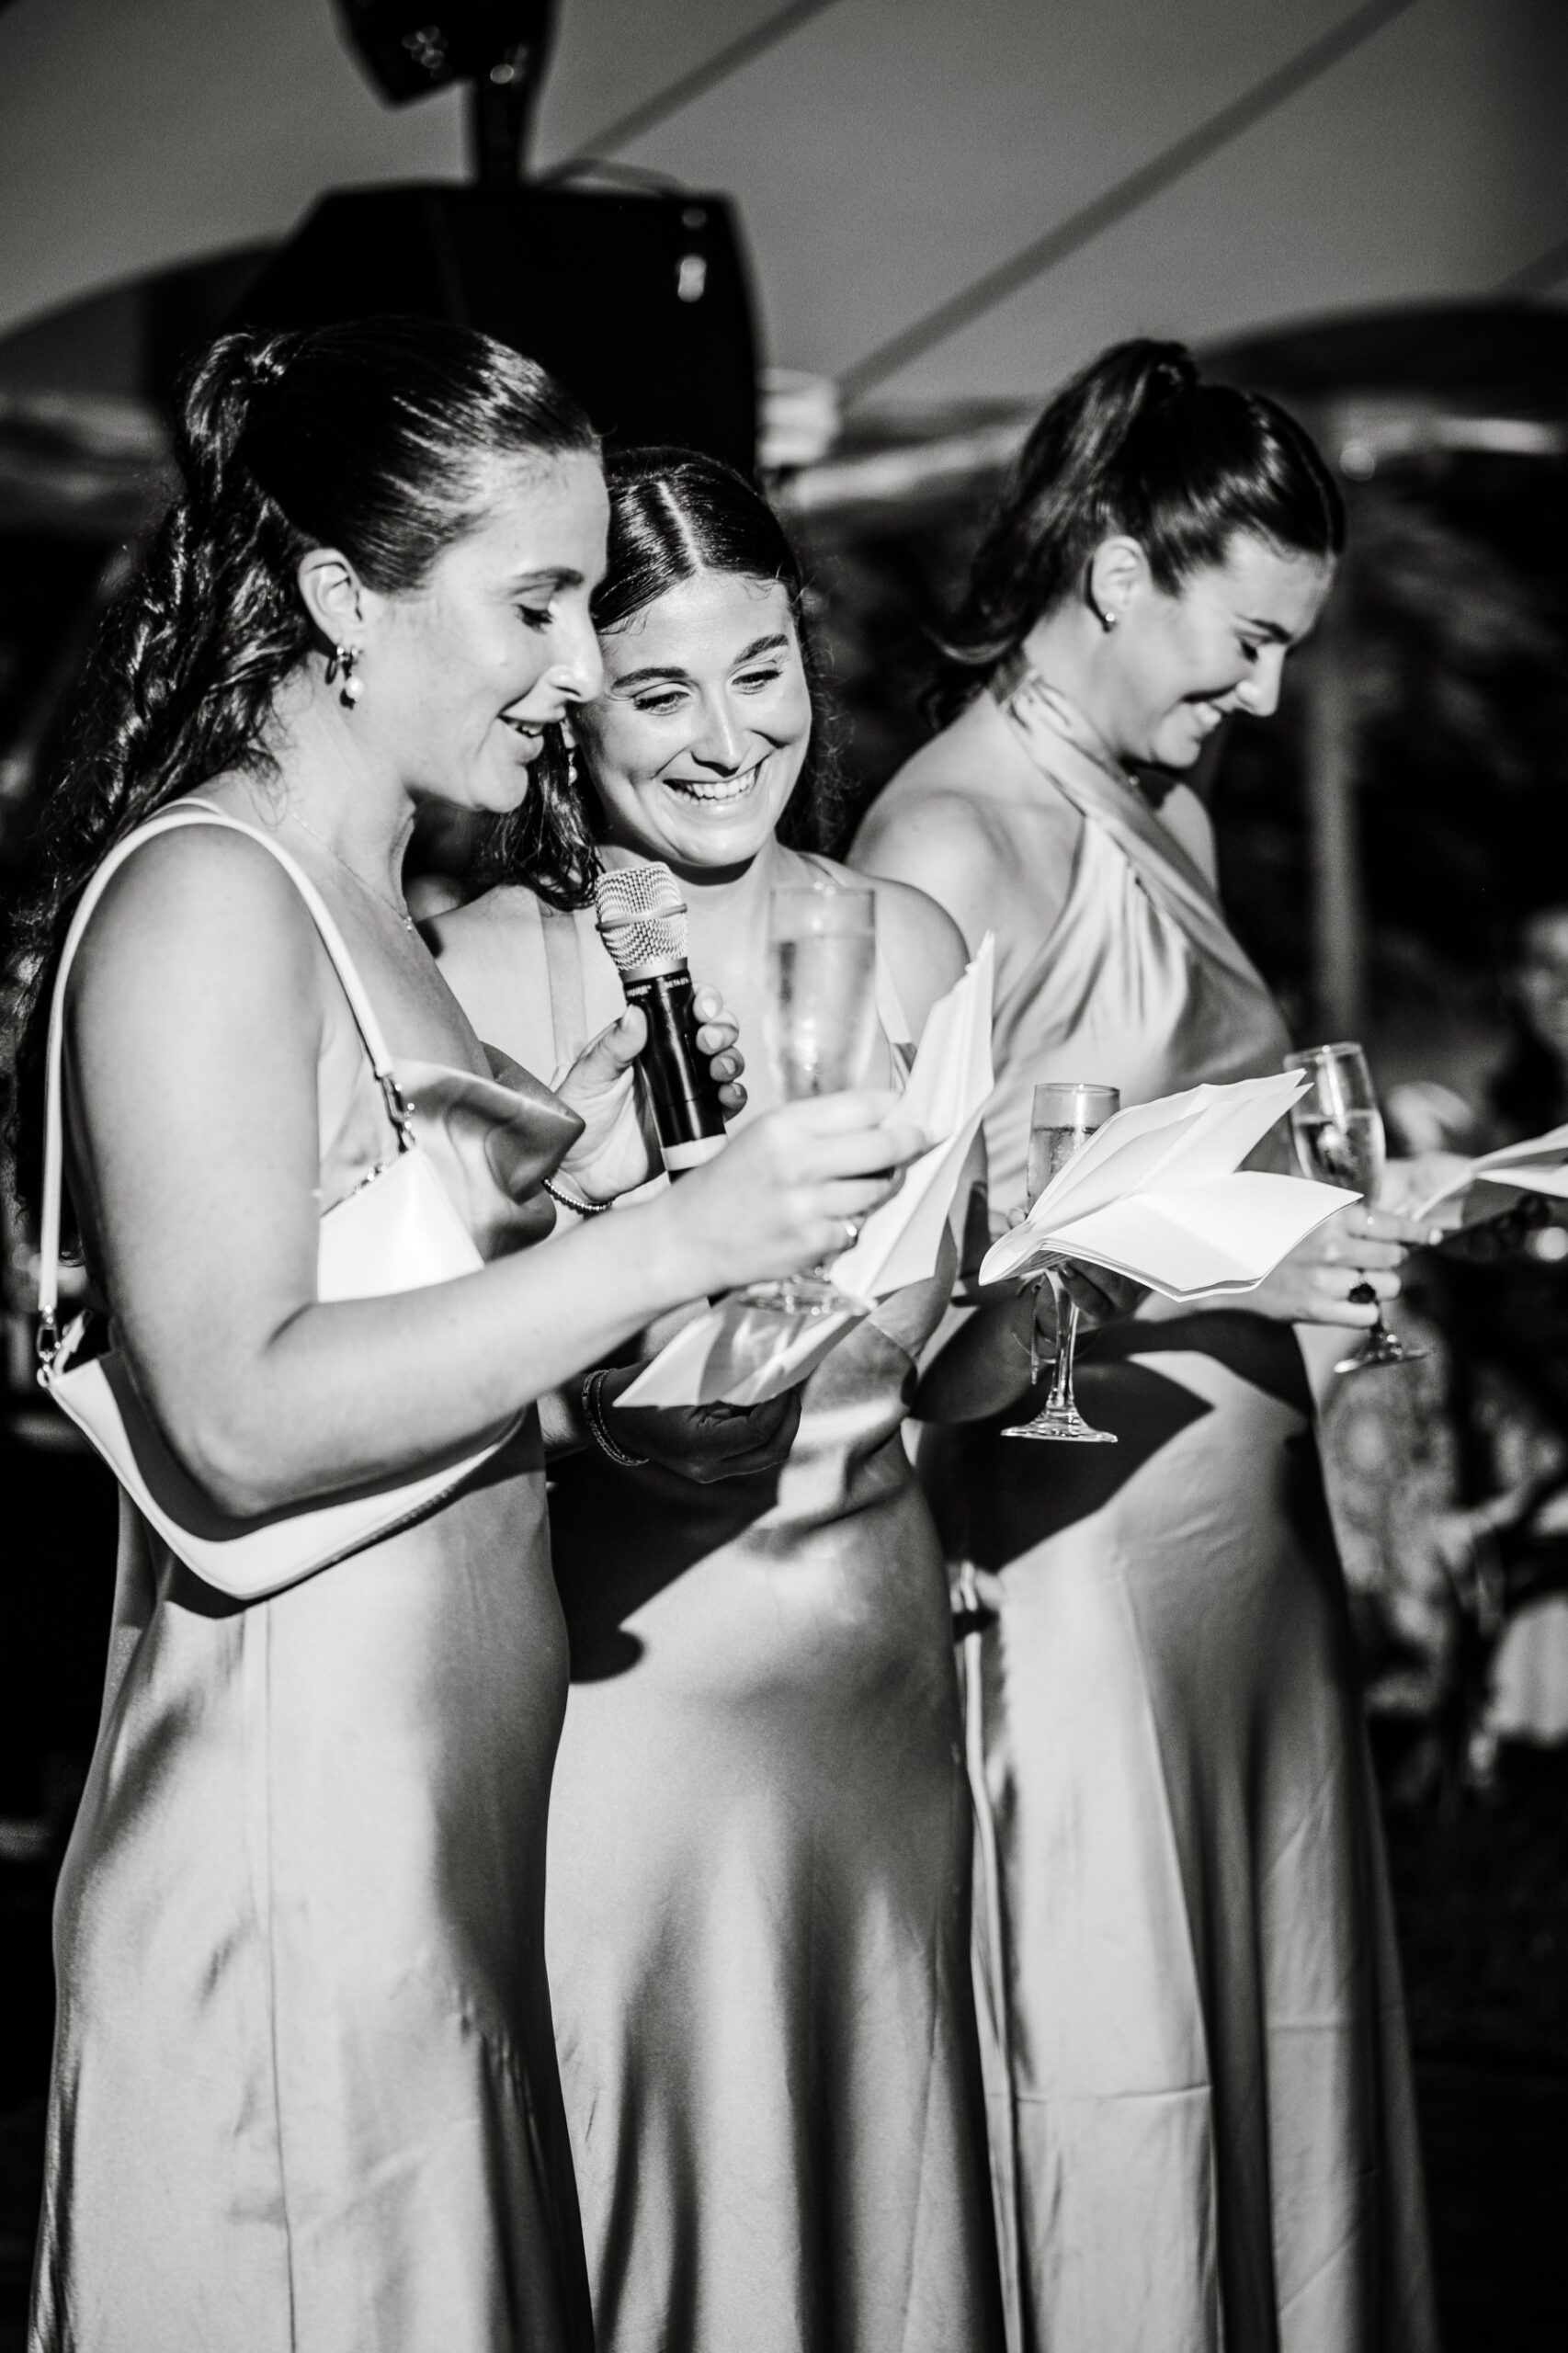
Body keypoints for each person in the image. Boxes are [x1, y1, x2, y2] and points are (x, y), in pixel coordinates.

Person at [10, 324, 922, 2353]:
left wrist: (649, 1248)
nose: (583, 669)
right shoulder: (204, 899)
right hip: (295, 1881)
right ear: (344, 597)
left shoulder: (381, 909)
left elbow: (428, 1337)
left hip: (443, 1874)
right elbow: (238, 1414)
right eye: (536, 604)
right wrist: (659, 1238)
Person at [852, 341, 1438, 2353]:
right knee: (1124, 2087)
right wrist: (1233, 1270)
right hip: (1082, 1573)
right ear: (1111, 566)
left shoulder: (1155, 799)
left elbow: (1182, 1141)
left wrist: (1369, 1195)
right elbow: (918, 1329)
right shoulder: (945, 852)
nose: (1263, 699)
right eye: (1245, 639)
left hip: (1244, 1576)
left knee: (1273, 2044)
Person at [432, 448, 1005, 2353]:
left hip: (883, 1689)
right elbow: (450, 1380)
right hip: (634, 1713)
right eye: (657, 689)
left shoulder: (904, 946)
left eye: (759, 673)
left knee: (882, 2210)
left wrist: (1060, 1310)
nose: (721, 735)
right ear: (571, 701)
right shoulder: (493, 969)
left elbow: (950, 1369)